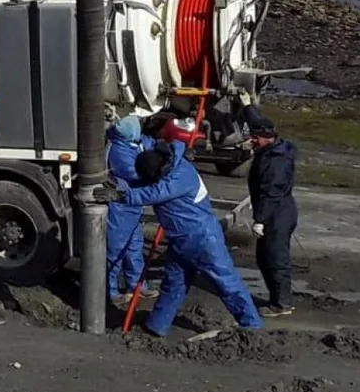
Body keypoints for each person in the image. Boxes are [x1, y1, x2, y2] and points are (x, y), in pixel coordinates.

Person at [113, 138, 264, 336]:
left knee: (226, 283)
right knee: (173, 284)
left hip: (203, 239)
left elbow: (153, 193)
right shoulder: (170, 163)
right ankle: (156, 326)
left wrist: (122, 196)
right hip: (181, 241)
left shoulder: (179, 177)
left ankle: (252, 327)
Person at [243, 102, 299, 318]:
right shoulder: (271, 149)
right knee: (264, 257)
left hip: (277, 214)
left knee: (275, 259)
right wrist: (246, 105)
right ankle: (278, 298)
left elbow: (271, 194)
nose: (252, 140)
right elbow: (255, 121)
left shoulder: (276, 163)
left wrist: (260, 220)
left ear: (267, 137)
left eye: (255, 138)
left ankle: (282, 303)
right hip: (277, 211)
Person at [105, 116, 157, 306]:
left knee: (134, 246)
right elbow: (136, 173)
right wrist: (155, 171)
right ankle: (109, 290)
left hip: (133, 206)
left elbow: (150, 145)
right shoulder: (119, 150)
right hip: (121, 206)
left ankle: (136, 285)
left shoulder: (135, 143)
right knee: (115, 249)